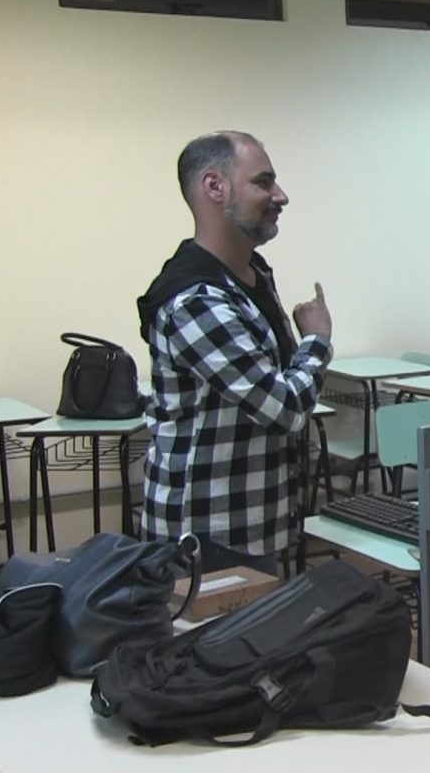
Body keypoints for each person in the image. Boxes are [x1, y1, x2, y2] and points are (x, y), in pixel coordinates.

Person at [136, 131, 333, 576]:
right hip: (206, 538)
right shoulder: (196, 300)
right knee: (210, 648)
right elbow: (283, 408)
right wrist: (317, 341)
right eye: (263, 183)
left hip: (251, 526)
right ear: (214, 187)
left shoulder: (250, 277)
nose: (280, 196)